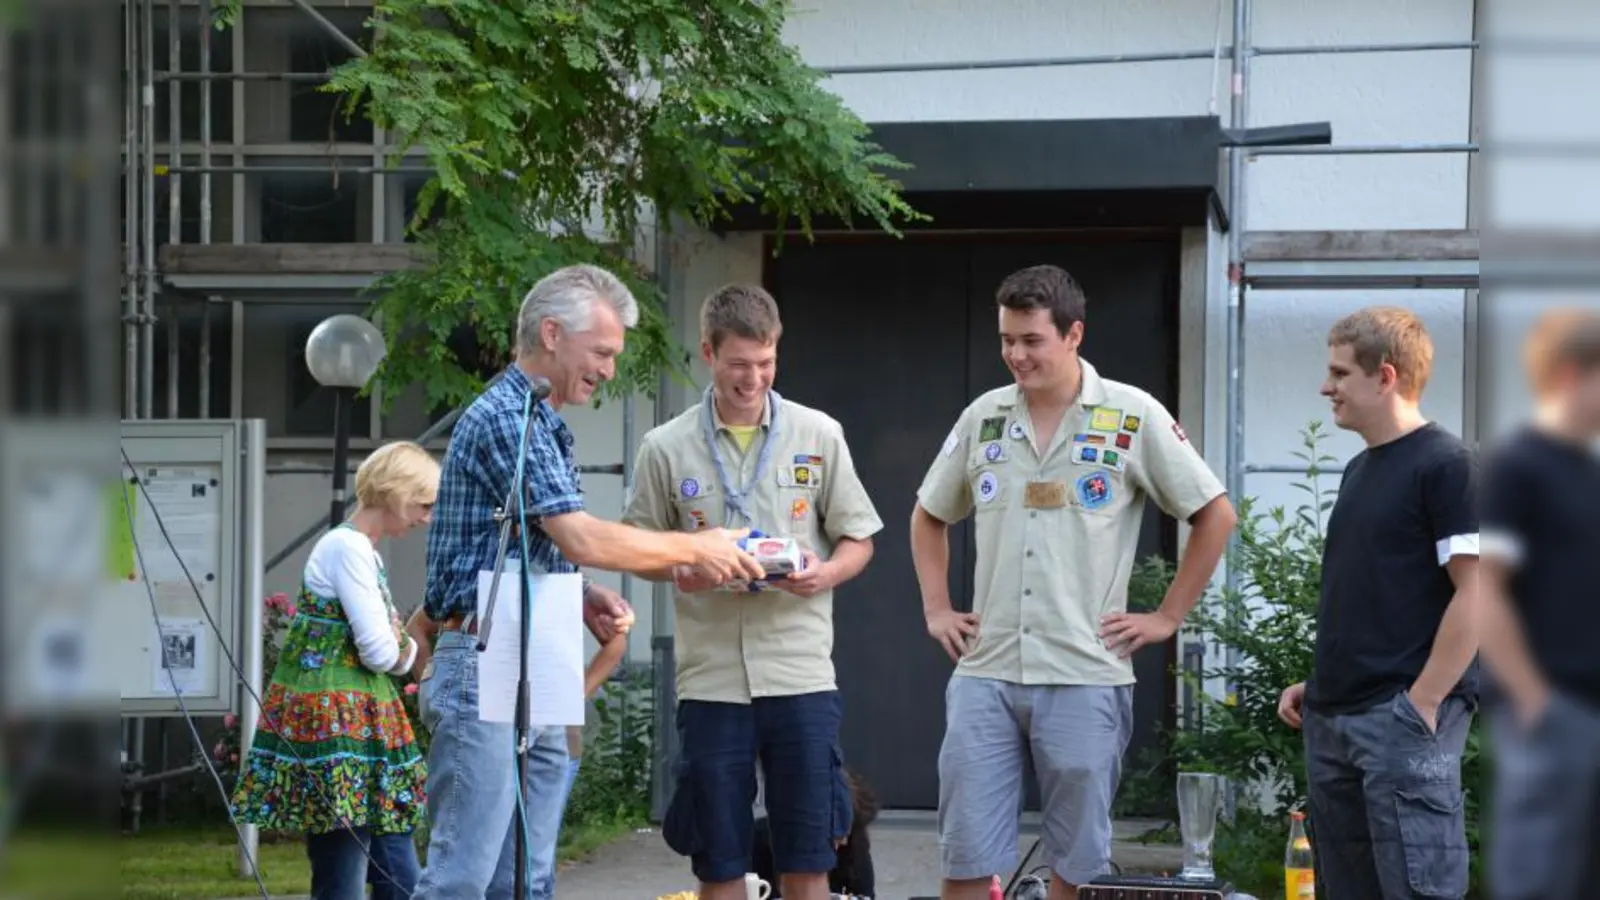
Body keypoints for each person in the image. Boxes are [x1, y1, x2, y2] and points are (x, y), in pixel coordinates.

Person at [410, 264, 765, 900]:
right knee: (461, 877)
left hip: (535, 656)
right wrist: (695, 545)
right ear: (551, 333)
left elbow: (535, 544)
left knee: (526, 878)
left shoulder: (545, 424)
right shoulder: (506, 419)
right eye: (601, 352)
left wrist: (579, 593)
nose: (608, 370)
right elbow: (579, 535)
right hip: (488, 658)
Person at [910, 265, 1236, 900]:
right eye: (1007, 339)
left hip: (1085, 670)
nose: (1015, 354)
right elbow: (928, 514)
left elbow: (1214, 514)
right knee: (966, 855)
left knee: (1077, 866)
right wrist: (937, 609)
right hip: (988, 670)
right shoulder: (984, 418)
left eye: (1031, 340)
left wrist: (1167, 617)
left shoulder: (1132, 415)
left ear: (1073, 334)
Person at [622, 283, 884, 900]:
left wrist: (825, 574)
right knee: (719, 862)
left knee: (809, 858)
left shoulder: (819, 434)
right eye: (740, 364)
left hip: (799, 675)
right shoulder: (665, 446)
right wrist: (683, 570)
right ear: (708, 353)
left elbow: (861, 540)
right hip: (711, 678)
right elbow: (636, 548)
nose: (754, 379)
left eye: (766, 363)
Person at [1275, 306, 1479, 900]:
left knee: (1419, 891)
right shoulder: (1360, 470)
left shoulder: (1448, 465)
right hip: (1335, 718)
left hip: (1401, 722)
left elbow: (1480, 590)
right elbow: (1379, 595)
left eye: (1339, 374)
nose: (1325, 387)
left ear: (1385, 377)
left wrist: (1424, 702)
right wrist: (1323, 684)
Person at [231, 440, 439, 900]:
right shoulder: (348, 550)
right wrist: (403, 646)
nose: (426, 517)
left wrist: (397, 642)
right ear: (395, 492)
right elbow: (381, 653)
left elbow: (389, 644)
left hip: (358, 727)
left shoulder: (357, 548)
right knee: (348, 869)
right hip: (341, 731)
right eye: (423, 504)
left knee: (393, 866)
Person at [1478, 309, 1600, 900]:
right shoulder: (1519, 466)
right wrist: (1533, 699)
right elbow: (1487, 589)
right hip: (1555, 715)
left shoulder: (1589, 473)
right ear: (1574, 374)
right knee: (1541, 882)